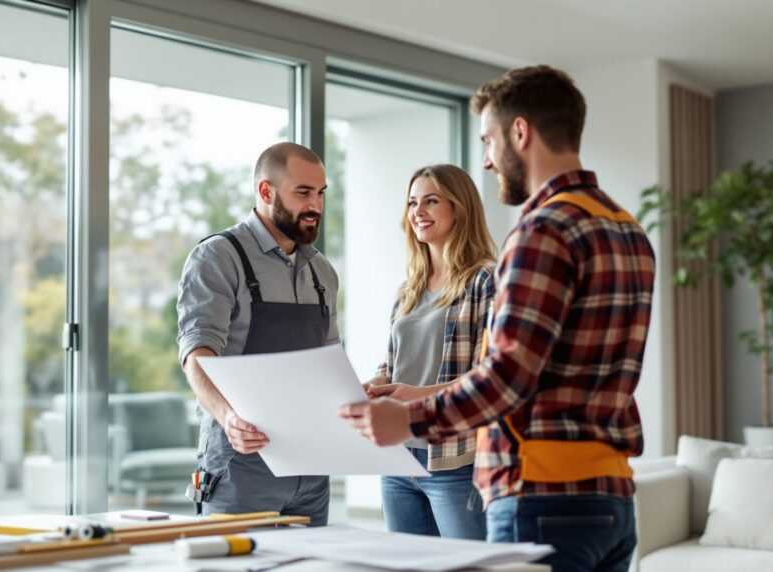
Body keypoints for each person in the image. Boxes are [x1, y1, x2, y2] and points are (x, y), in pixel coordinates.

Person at [340, 65, 656, 572]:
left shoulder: (544, 229)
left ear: (520, 132)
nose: (487, 160)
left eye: (488, 139)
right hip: (610, 499)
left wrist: (410, 418)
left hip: (541, 495)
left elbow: (509, 375)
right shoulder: (626, 228)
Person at [176, 142, 340, 525]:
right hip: (241, 466)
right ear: (266, 192)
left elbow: (329, 364)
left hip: (312, 468)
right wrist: (230, 417)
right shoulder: (218, 256)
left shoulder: (323, 272)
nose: (316, 205)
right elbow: (196, 356)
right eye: (303, 192)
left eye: (320, 193)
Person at [363, 164, 495, 539]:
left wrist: (417, 396)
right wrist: (370, 386)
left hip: (454, 459)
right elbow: (391, 364)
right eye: (412, 203)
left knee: (469, 569)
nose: (418, 212)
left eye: (431, 201)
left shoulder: (484, 281)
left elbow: (492, 375)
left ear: (459, 208)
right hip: (397, 459)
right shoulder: (409, 288)